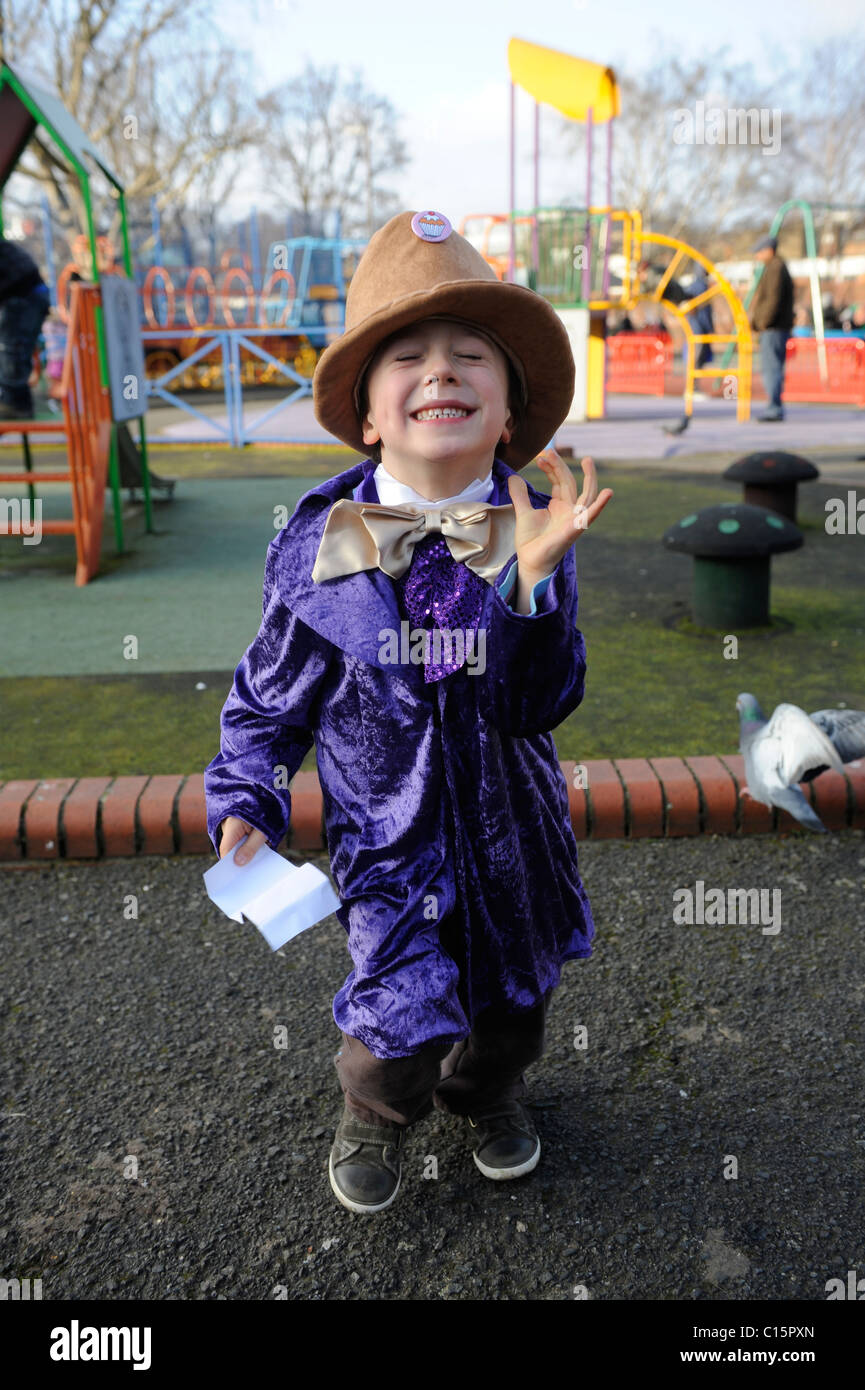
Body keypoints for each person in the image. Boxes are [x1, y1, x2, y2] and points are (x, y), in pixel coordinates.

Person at [203, 209, 613, 1214]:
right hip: (386, 836)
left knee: (513, 998)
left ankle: (490, 1094)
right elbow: (270, 690)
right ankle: (377, 1110)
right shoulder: (319, 549)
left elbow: (539, 701)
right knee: (397, 1009)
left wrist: (529, 585)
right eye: (410, 356)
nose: (442, 370)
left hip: (513, 832)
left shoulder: (534, 530)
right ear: (369, 416)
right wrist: (248, 783)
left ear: (509, 413)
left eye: (470, 354)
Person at [0, 234, 52, 419]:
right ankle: (16, 400)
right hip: (30, 291)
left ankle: (16, 403)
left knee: (11, 347)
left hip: (24, 294)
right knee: (15, 347)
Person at [748, 234, 794, 421]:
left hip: (773, 327)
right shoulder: (776, 267)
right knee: (773, 367)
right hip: (776, 326)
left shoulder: (775, 268)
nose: (757, 256)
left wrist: (761, 322)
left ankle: (774, 408)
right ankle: (774, 406)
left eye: (759, 252)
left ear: (768, 250)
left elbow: (772, 299)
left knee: (771, 368)